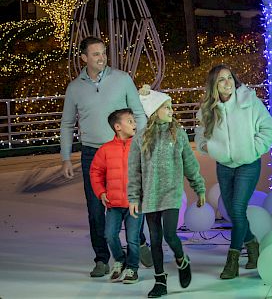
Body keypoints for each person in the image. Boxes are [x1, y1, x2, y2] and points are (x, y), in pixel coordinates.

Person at [60, 36, 152, 277]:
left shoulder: (122, 79)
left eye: (103, 52)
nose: (101, 57)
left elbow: (139, 114)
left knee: (130, 199)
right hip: (93, 153)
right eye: (95, 54)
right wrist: (66, 157)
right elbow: (67, 124)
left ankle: (139, 242)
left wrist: (140, 143)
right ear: (83, 58)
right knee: (96, 207)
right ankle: (102, 258)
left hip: (125, 149)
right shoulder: (75, 88)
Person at [194, 64, 272, 280]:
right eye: (221, 79)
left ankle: (232, 260)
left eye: (229, 77)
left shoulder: (249, 101)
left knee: (238, 209)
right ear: (214, 85)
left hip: (248, 164)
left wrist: (254, 149)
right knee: (231, 211)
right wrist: (208, 147)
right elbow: (200, 135)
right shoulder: (208, 109)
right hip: (224, 166)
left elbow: (268, 129)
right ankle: (252, 244)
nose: (227, 83)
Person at [128, 85, 206, 298]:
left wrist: (198, 188)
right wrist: (134, 197)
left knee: (170, 235)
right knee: (154, 239)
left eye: (171, 107)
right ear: (154, 112)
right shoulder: (141, 138)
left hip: (171, 193)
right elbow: (134, 170)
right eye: (166, 107)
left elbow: (190, 164)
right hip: (150, 196)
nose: (172, 111)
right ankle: (160, 280)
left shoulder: (177, 134)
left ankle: (182, 259)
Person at [90, 108, 142, 284]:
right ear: (117, 126)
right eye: (130, 121)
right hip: (113, 204)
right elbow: (95, 172)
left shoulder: (140, 146)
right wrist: (101, 192)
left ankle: (133, 268)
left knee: (132, 239)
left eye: (134, 120)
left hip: (134, 203)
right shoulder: (105, 150)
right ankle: (120, 260)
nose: (134, 124)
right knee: (110, 235)